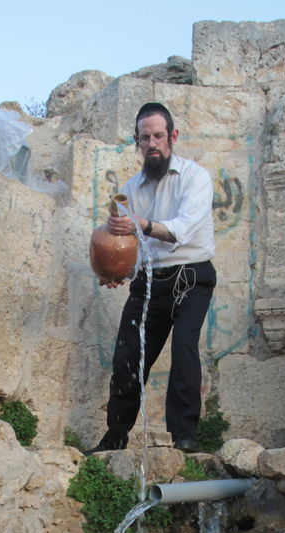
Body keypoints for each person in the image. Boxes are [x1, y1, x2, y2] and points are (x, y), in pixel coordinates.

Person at [90, 102, 217, 454]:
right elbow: (131, 243)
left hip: (192, 275)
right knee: (127, 355)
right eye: (145, 138)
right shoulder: (131, 188)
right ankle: (115, 436)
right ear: (137, 142)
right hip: (149, 278)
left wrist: (139, 225)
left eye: (158, 136)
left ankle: (184, 436)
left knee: (184, 349)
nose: (153, 144)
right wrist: (118, 269)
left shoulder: (196, 177)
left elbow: (183, 231)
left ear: (172, 137)